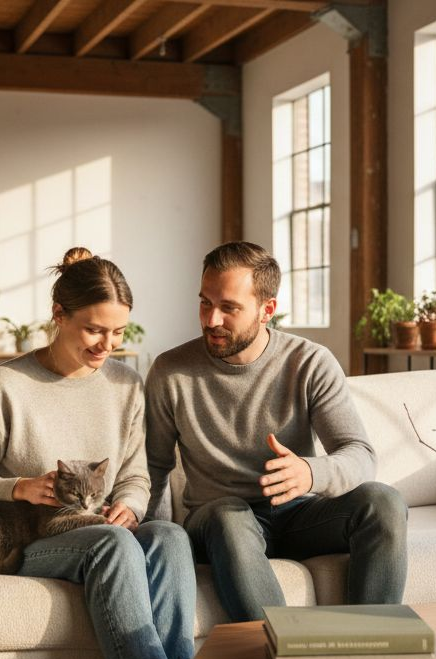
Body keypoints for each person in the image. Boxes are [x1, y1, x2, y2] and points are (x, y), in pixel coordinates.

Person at [0, 248, 209, 659]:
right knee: (112, 544)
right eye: (94, 330)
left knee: (170, 536)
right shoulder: (7, 385)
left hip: (101, 527)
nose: (107, 345)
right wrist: (20, 487)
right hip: (34, 539)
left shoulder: (126, 385)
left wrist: (130, 505)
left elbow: (136, 474)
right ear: (59, 315)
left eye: (118, 333)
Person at [145, 241, 408, 623]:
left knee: (382, 502)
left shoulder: (309, 362)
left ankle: (372, 641)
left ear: (267, 310)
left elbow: (360, 454)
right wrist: (152, 543)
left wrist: (310, 472)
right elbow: (153, 468)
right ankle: (283, 648)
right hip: (218, 522)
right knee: (228, 515)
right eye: (205, 302)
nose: (211, 319)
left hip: (297, 515)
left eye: (229, 308)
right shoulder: (170, 371)